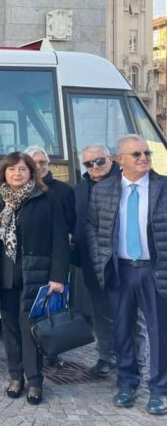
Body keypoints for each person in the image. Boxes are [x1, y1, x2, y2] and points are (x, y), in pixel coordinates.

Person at [0, 151, 69, 405]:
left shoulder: (46, 198)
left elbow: (60, 239)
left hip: (35, 276)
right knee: (10, 329)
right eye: (12, 169)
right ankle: (16, 377)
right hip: (4, 274)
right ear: (4, 173)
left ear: (31, 173)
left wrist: (58, 276)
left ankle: (35, 381)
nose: (17, 174)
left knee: (31, 330)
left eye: (23, 169)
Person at [86, 134, 167, 415]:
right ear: (120, 159)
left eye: (146, 153)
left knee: (159, 333)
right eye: (136, 154)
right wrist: (101, 259)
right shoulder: (103, 190)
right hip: (120, 270)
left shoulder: (163, 186)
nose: (144, 158)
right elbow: (93, 227)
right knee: (122, 330)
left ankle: (159, 390)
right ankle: (127, 383)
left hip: (154, 269)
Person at [74, 144, 147, 378]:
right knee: (101, 314)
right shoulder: (81, 188)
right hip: (92, 263)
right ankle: (106, 357)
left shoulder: (126, 182)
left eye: (99, 161)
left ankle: (137, 362)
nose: (95, 166)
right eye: (89, 163)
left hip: (124, 262)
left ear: (111, 159)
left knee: (133, 315)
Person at [24, 145, 75, 368]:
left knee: (53, 308)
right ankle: (29, 352)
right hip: (30, 258)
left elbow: (73, 221)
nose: (40, 167)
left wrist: (69, 235)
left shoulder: (63, 190)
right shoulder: (21, 189)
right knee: (30, 308)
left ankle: (52, 351)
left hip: (55, 257)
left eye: (43, 162)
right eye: (34, 163)